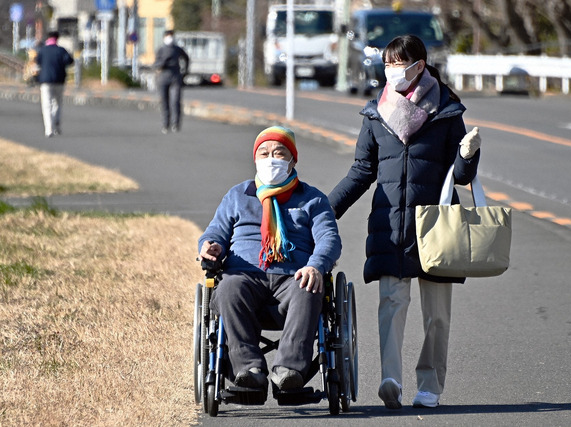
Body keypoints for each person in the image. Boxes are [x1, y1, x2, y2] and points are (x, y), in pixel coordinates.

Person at [328, 35, 481, 409]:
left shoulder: (447, 112)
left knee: (437, 315)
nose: (393, 71)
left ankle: (430, 385)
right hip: (391, 226)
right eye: (388, 64)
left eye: (399, 63)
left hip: (436, 224)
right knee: (391, 304)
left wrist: (467, 155)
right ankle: (390, 379)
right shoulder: (376, 112)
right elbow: (362, 171)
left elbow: (460, 176)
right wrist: (325, 208)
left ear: (420, 65)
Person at [198, 125, 341, 391]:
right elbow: (215, 232)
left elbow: (329, 239)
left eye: (279, 153)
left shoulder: (313, 200)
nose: (271, 159)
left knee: (309, 287)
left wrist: (315, 266)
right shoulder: (238, 196)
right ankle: (248, 368)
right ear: (255, 159)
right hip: (244, 275)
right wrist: (210, 246)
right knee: (228, 287)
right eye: (264, 153)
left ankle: (288, 370)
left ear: (293, 160)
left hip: (293, 277)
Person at [36, 31, 74, 138]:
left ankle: (48, 129)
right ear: (57, 39)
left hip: (45, 81)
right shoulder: (61, 50)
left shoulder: (42, 51)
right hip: (59, 80)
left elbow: (38, 62)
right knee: (57, 103)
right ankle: (56, 122)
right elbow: (70, 61)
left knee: (46, 104)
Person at [153, 30, 189, 134]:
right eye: (168, 36)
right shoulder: (160, 50)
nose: (170, 38)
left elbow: (186, 58)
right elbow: (155, 64)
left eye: (171, 36)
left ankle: (175, 124)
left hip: (175, 78)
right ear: (164, 38)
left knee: (175, 101)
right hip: (163, 78)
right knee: (164, 102)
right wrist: (162, 63)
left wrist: (185, 71)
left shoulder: (177, 49)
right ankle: (165, 124)